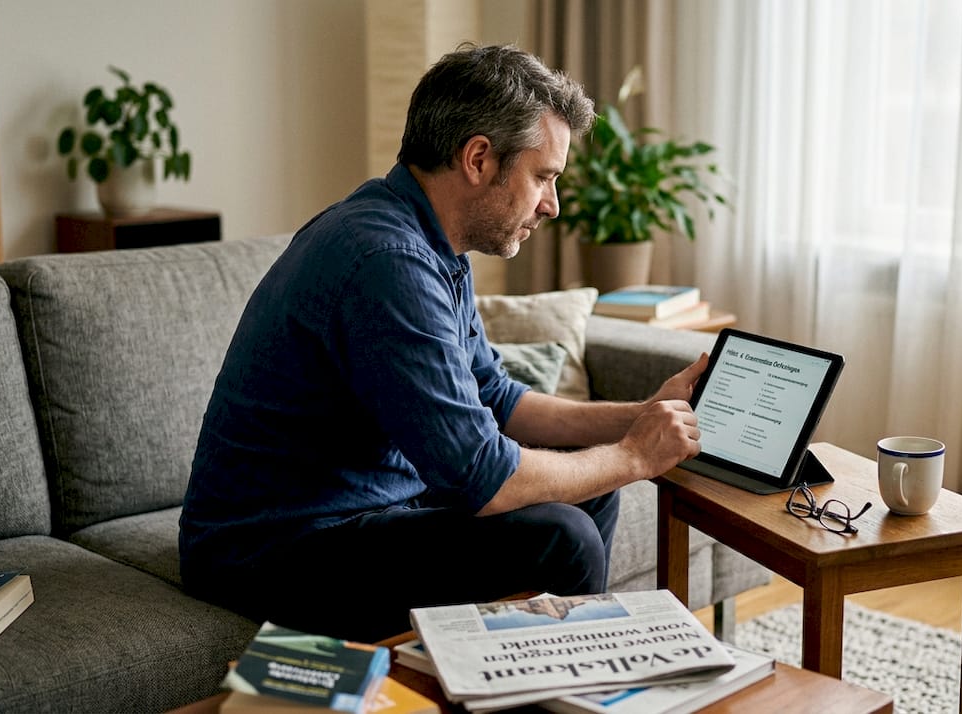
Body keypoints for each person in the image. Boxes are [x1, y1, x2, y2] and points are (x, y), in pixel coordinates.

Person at [178, 42, 708, 643]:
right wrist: (634, 456)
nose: (552, 205)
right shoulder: (386, 260)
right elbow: (483, 476)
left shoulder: (428, 241)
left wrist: (640, 417)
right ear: (478, 158)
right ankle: (548, 679)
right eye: (543, 177)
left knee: (593, 493)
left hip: (364, 506)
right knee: (564, 536)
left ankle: (517, 669)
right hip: (271, 548)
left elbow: (496, 398)